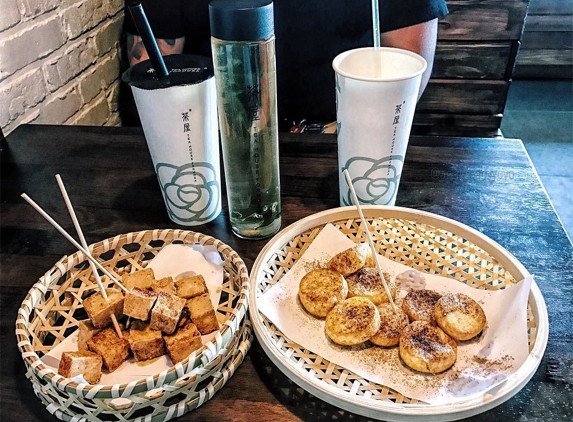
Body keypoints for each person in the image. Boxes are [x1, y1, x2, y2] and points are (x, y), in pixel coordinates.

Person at [124, 0, 448, 130]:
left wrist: (354, 136)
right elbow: (158, 78)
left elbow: (408, 71)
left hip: (343, 139)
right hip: (219, 147)